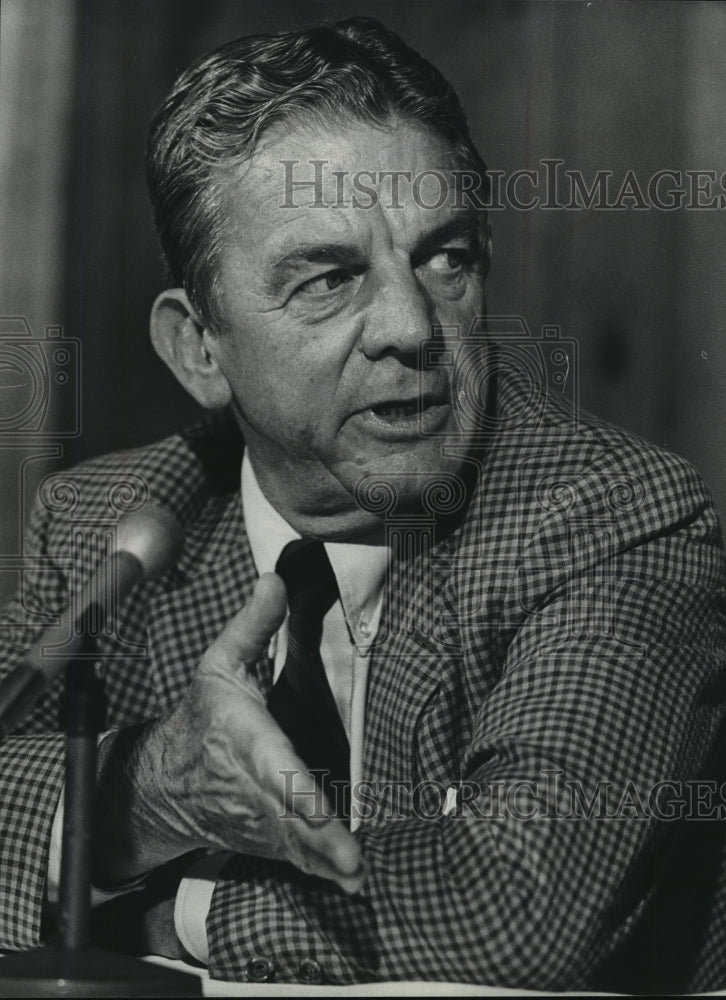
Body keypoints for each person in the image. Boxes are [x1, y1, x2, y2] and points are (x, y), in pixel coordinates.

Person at [1, 16, 725, 992]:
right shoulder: (109, 525)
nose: (411, 326)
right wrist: (148, 790)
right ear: (200, 349)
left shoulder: (612, 514)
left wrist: (170, 909)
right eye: (331, 279)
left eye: (446, 258)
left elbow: (518, 908)